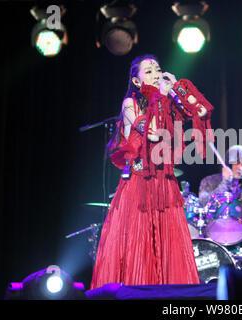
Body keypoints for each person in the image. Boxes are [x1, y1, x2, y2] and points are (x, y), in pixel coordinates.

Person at [90, 54, 214, 289]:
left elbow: (198, 112)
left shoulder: (166, 103)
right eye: (149, 71)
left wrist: (177, 88)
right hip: (140, 185)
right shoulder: (130, 105)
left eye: (158, 69)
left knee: (169, 248)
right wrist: (163, 97)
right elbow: (154, 133)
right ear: (136, 82)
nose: (156, 74)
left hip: (165, 184)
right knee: (140, 247)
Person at [198, 145, 242, 235]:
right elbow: (203, 203)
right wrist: (225, 182)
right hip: (213, 234)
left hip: (238, 236)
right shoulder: (209, 181)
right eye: (237, 163)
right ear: (228, 163)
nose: (241, 168)